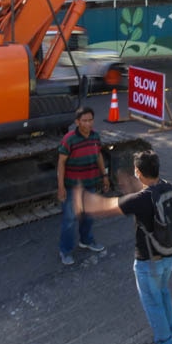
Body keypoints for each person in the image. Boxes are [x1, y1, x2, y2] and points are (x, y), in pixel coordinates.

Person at [75, 150, 172, 344]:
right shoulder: (166, 186)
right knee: (163, 294)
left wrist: (82, 200)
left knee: (152, 301)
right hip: (169, 255)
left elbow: (107, 207)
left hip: (149, 261)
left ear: (139, 172)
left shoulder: (140, 199)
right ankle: (171, 333)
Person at [56, 106, 109, 265]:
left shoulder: (95, 137)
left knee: (89, 216)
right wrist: (61, 187)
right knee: (70, 219)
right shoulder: (69, 139)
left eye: (90, 120)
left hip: (90, 183)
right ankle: (65, 250)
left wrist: (105, 175)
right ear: (77, 122)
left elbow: (98, 155)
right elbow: (61, 163)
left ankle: (86, 240)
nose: (88, 123)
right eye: (84, 121)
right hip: (72, 186)